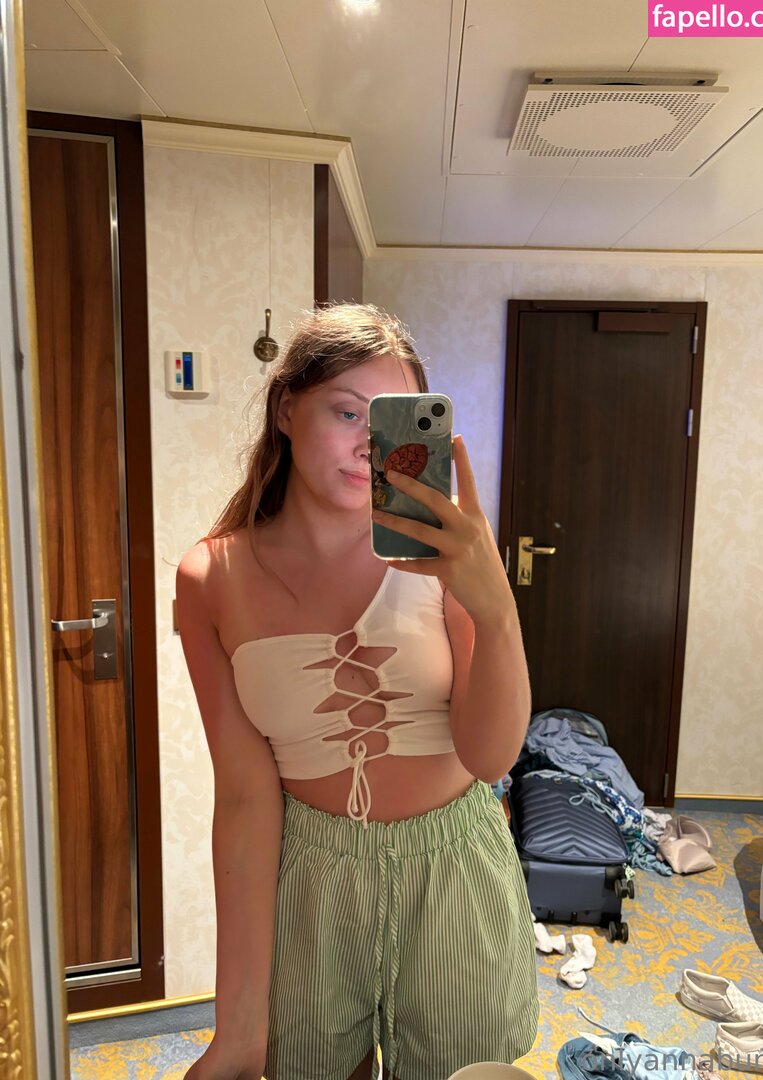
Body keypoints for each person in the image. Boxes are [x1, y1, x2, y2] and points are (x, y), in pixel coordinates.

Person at [176, 304, 538, 1080]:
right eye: (346, 412)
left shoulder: (442, 552)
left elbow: (491, 757)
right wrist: (236, 1030)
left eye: (391, 420)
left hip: (453, 866)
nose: (368, 445)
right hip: (310, 877)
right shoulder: (211, 579)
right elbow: (244, 797)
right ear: (286, 409)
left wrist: (494, 606)